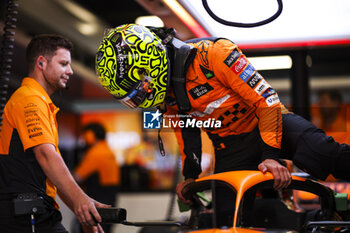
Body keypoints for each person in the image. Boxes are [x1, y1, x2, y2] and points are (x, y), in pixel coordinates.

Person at [94, 24, 350, 224]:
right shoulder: (167, 93)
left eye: (140, 89)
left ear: (148, 65)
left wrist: (271, 156)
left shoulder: (214, 54)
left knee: (331, 157)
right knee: (227, 219)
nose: (144, 96)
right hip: (230, 146)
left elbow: (267, 100)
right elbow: (186, 128)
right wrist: (190, 177)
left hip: (271, 123)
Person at [0, 34, 108, 233]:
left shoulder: (40, 103)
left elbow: (51, 169)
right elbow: (46, 155)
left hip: (35, 210)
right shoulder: (29, 100)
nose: (71, 70)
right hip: (24, 215)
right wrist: (79, 199)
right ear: (41, 62)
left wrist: (80, 207)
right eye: (64, 63)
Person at [73, 122, 120, 233]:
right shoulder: (107, 150)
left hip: (98, 198)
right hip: (109, 197)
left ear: (90, 135)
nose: (83, 138)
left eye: (85, 135)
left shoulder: (96, 152)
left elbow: (77, 177)